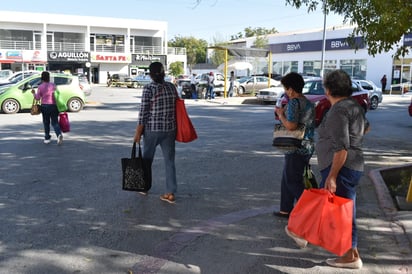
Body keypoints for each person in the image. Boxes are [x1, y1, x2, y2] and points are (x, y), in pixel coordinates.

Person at [285, 70, 369, 269]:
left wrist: (332, 175)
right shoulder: (354, 106)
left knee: (322, 204)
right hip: (352, 166)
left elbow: (342, 148)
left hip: (340, 167)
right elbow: (366, 127)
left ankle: (300, 232)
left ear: (328, 89)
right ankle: (351, 255)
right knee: (344, 212)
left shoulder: (338, 110)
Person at [133, 62, 178, 204]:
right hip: (170, 129)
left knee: (147, 160)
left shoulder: (148, 89)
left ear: (150, 75)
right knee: (169, 161)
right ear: (164, 73)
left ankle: (144, 187)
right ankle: (170, 193)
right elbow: (177, 107)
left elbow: (143, 113)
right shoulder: (171, 87)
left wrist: (138, 133)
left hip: (152, 130)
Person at [274, 72, 315, 218]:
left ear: (291, 89)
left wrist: (281, 115)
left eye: (286, 89)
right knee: (287, 177)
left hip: (296, 146)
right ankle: (285, 209)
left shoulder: (293, 103)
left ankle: (311, 210)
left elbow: (291, 126)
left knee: (292, 180)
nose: (285, 92)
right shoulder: (308, 103)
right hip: (308, 145)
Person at [31, 71, 63, 145]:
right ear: (49, 78)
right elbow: (57, 95)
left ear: (42, 78)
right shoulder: (53, 85)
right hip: (54, 106)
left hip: (45, 106)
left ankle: (47, 138)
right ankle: (59, 135)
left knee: (46, 122)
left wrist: (33, 93)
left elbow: (38, 98)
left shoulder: (40, 86)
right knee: (55, 122)